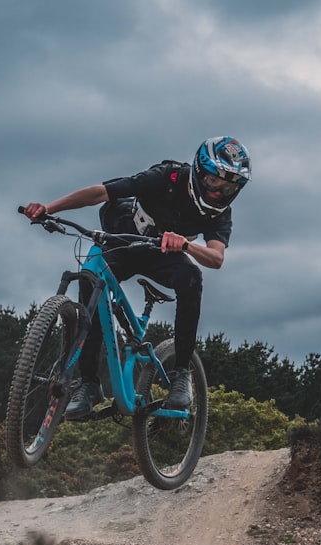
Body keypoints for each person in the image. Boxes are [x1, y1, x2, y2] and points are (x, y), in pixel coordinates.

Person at [22, 136, 251, 419]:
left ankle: (181, 373)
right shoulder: (168, 176)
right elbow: (100, 193)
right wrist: (49, 208)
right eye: (214, 182)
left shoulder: (220, 214)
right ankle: (89, 383)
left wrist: (187, 245)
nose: (219, 192)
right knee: (90, 277)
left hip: (164, 255)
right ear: (198, 171)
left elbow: (216, 258)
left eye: (228, 187)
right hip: (124, 241)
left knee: (191, 278)